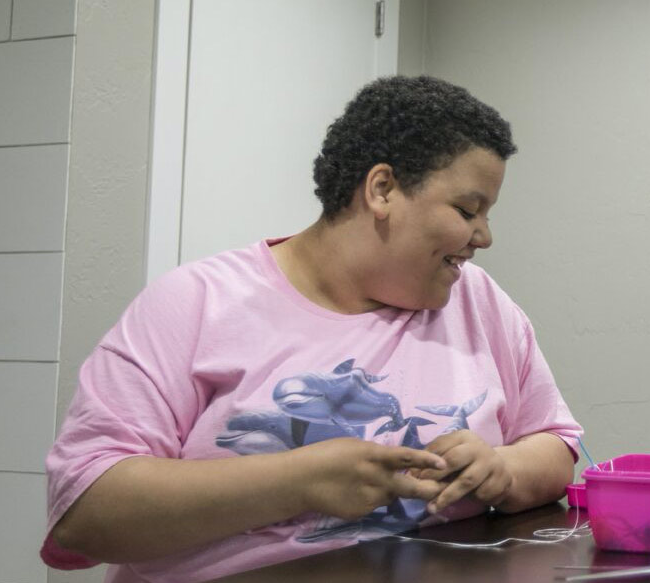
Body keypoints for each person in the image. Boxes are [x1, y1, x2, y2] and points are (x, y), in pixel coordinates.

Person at [43, 76, 582, 581]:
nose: (483, 236)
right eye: (468, 210)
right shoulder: (194, 305)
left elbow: (555, 445)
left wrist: (502, 469)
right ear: (382, 188)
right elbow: (85, 513)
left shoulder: (477, 301)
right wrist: (299, 481)